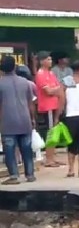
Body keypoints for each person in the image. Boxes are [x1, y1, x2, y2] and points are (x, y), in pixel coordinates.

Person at [0, 55, 36, 185]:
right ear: (15, 66)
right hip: (25, 120)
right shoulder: (25, 82)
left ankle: (14, 175)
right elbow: (30, 103)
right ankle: (30, 174)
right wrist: (32, 118)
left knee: (9, 149)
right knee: (27, 148)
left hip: (8, 122)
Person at [35, 51, 62, 168]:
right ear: (42, 61)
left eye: (50, 59)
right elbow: (49, 91)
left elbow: (59, 87)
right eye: (48, 59)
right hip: (47, 107)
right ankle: (49, 159)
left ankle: (52, 157)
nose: (50, 61)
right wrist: (56, 89)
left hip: (54, 106)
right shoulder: (40, 74)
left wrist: (55, 89)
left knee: (54, 132)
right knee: (50, 133)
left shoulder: (51, 73)